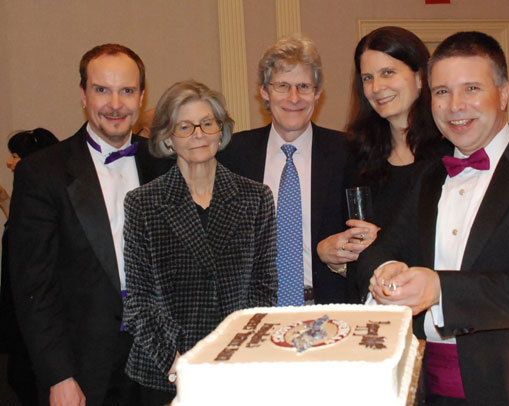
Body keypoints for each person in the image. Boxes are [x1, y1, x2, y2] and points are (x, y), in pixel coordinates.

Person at [358, 31, 509, 405]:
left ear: (503, 93)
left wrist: (441, 290)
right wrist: (387, 268)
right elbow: (383, 247)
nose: (455, 106)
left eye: (471, 89)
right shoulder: (428, 176)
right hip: (424, 385)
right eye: (441, 92)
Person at [7, 43, 172, 406]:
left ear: (142, 97)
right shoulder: (43, 173)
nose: (115, 104)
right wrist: (58, 375)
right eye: (102, 90)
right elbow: (33, 286)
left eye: (127, 91)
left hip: (160, 368)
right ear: (83, 95)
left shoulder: (164, 164)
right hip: (84, 373)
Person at [123, 80, 277, 405]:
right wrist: (177, 363)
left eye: (207, 123)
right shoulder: (143, 203)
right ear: (167, 137)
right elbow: (139, 301)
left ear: (220, 131)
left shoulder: (255, 198)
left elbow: (264, 288)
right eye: (185, 126)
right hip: (165, 371)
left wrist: (231, 355)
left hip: (236, 368)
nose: (198, 134)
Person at [316, 26, 444, 302]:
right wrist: (332, 255)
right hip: (375, 316)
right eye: (368, 78)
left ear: (420, 77)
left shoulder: (450, 155)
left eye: (388, 73)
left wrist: (382, 244)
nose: (377, 88)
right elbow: (346, 245)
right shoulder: (355, 157)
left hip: (435, 317)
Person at [218, 34, 348, 305]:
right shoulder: (233, 154)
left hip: (329, 310)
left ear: (318, 93)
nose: (293, 98)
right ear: (264, 92)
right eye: (282, 86)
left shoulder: (348, 152)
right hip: (254, 311)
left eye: (303, 86)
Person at [0, 127, 59, 405]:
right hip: (22, 310)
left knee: (24, 378)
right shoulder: (32, 199)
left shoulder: (45, 199)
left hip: (31, 314)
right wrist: (5, 203)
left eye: (14, 157)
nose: (9, 163)